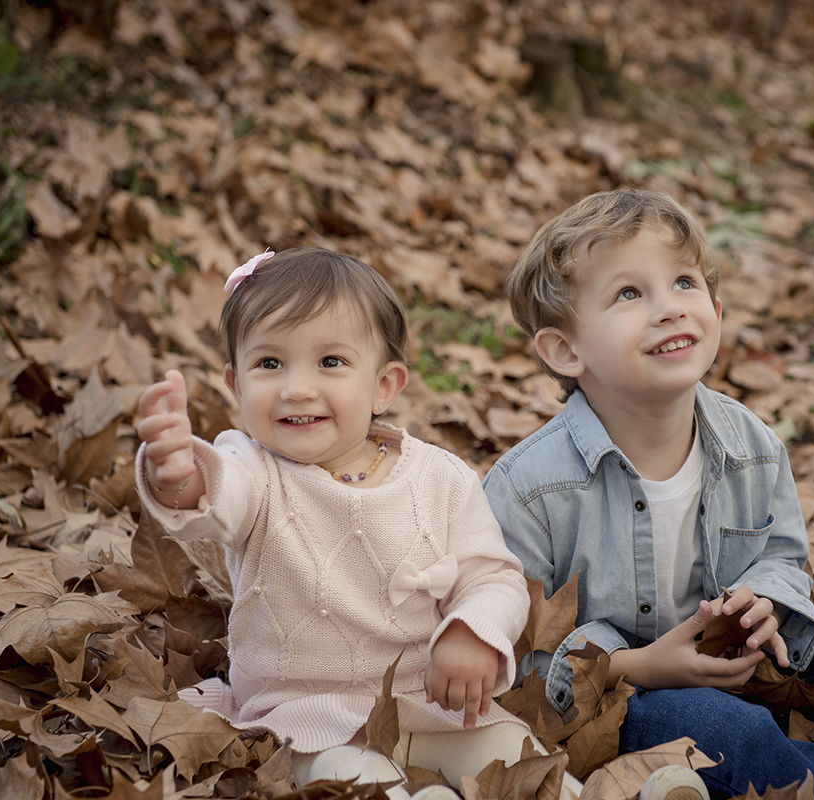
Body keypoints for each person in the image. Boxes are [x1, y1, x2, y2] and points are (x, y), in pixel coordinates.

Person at [482, 189, 814, 800]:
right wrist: (639, 667)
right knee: (729, 731)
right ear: (566, 350)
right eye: (628, 293)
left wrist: (767, 602)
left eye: (684, 283)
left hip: (738, 651)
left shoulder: (749, 443)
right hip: (622, 699)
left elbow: (781, 557)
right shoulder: (529, 489)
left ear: (716, 311)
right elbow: (519, 663)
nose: (670, 309)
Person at [135, 247, 582, 800]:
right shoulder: (255, 470)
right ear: (235, 383)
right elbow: (213, 497)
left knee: (521, 762)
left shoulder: (441, 478)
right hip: (309, 716)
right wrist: (177, 470)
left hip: (432, 702)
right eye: (269, 364)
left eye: (330, 363)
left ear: (384, 386)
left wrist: (473, 629)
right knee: (354, 784)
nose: (296, 387)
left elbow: (492, 577)